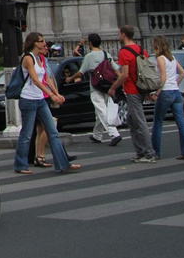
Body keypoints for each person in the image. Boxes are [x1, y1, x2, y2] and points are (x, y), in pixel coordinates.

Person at [12, 33, 76, 175]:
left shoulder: (40, 58)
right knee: (27, 134)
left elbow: (47, 78)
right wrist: (52, 95)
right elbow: (35, 80)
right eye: (42, 41)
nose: (44, 44)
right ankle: (20, 164)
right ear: (35, 43)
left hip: (40, 100)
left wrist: (56, 93)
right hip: (28, 99)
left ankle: (63, 164)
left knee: (52, 131)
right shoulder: (28, 58)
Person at [106, 25, 156, 162]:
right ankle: (140, 151)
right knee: (131, 120)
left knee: (140, 122)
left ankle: (149, 153)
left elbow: (124, 75)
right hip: (141, 88)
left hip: (132, 90)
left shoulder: (124, 52)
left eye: (119, 34)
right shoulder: (141, 50)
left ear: (123, 34)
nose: (119, 36)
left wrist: (113, 87)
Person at [150, 36, 184, 160]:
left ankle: (156, 151)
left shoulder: (160, 59)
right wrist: (176, 83)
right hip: (175, 92)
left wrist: (157, 93)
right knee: (181, 123)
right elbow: (182, 73)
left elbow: (163, 77)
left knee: (158, 122)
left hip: (165, 92)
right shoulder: (172, 58)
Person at [77, 33, 121, 145]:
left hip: (96, 87)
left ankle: (114, 134)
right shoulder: (106, 54)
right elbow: (117, 71)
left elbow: (80, 72)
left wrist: (69, 79)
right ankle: (97, 135)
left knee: (102, 111)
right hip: (107, 86)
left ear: (90, 43)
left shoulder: (89, 56)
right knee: (100, 112)